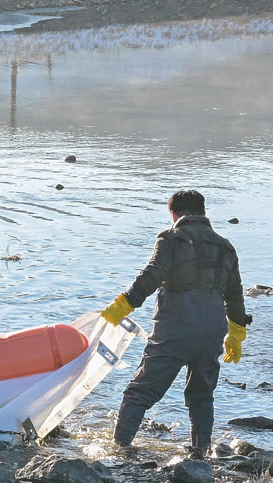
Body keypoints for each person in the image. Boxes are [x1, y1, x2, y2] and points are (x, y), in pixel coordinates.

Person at [102, 189, 251, 458]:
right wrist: (237, 332)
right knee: (202, 396)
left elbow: (152, 275)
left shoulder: (172, 237)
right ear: (203, 212)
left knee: (139, 393)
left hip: (176, 328)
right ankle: (200, 455)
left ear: (173, 214)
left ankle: (119, 451)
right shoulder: (226, 246)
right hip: (212, 330)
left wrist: (124, 304)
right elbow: (234, 294)